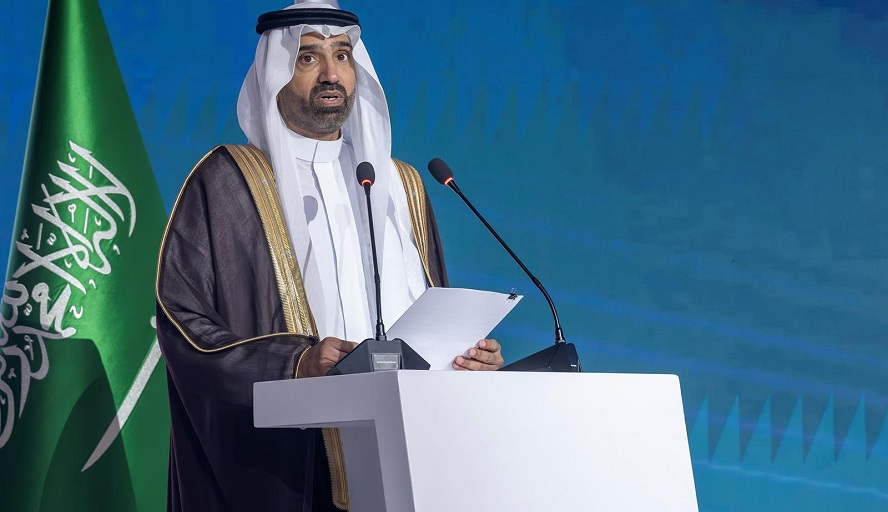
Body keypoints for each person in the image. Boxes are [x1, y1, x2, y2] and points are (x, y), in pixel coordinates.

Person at [155, 2, 503, 511]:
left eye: (342, 55)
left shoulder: (398, 184)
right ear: (275, 73)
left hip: (409, 459)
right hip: (287, 470)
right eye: (308, 58)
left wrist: (466, 358)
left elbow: (428, 317)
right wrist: (294, 363)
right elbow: (182, 324)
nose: (331, 74)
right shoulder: (229, 182)